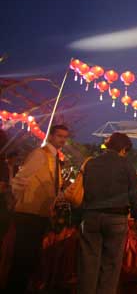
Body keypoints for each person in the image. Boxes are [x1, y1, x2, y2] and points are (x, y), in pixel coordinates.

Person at [77, 132, 137, 294]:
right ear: (123, 149)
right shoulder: (126, 166)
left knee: (88, 262)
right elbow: (134, 194)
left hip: (90, 216)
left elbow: (83, 190)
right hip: (116, 218)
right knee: (111, 264)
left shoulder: (91, 163)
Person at [8, 124, 70, 292]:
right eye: (59, 136)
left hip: (41, 214)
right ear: (50, 136)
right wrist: (19, 201)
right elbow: (20, 180)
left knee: (31, 257)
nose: (62, 140)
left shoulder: (55, 158)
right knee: (23, 257)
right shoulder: (39, 154)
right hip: (28, 213)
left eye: (65, 137)